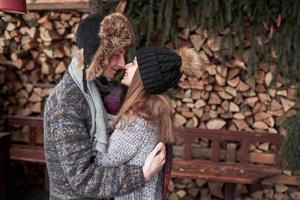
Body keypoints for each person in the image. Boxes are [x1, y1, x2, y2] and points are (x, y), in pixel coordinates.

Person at [43, 12, 166, 200]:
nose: (122, 64)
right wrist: (142, 174)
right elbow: (83, 179)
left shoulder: (94, 90)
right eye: (115, 55)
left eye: (124, 54)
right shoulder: (67, 103)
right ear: (95, 54)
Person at [95, 47, 205, 199]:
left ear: (144, 76)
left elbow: (100, 163)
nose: (126, 66)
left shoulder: (138, 124)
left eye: (133, 64)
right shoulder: (150, 116)